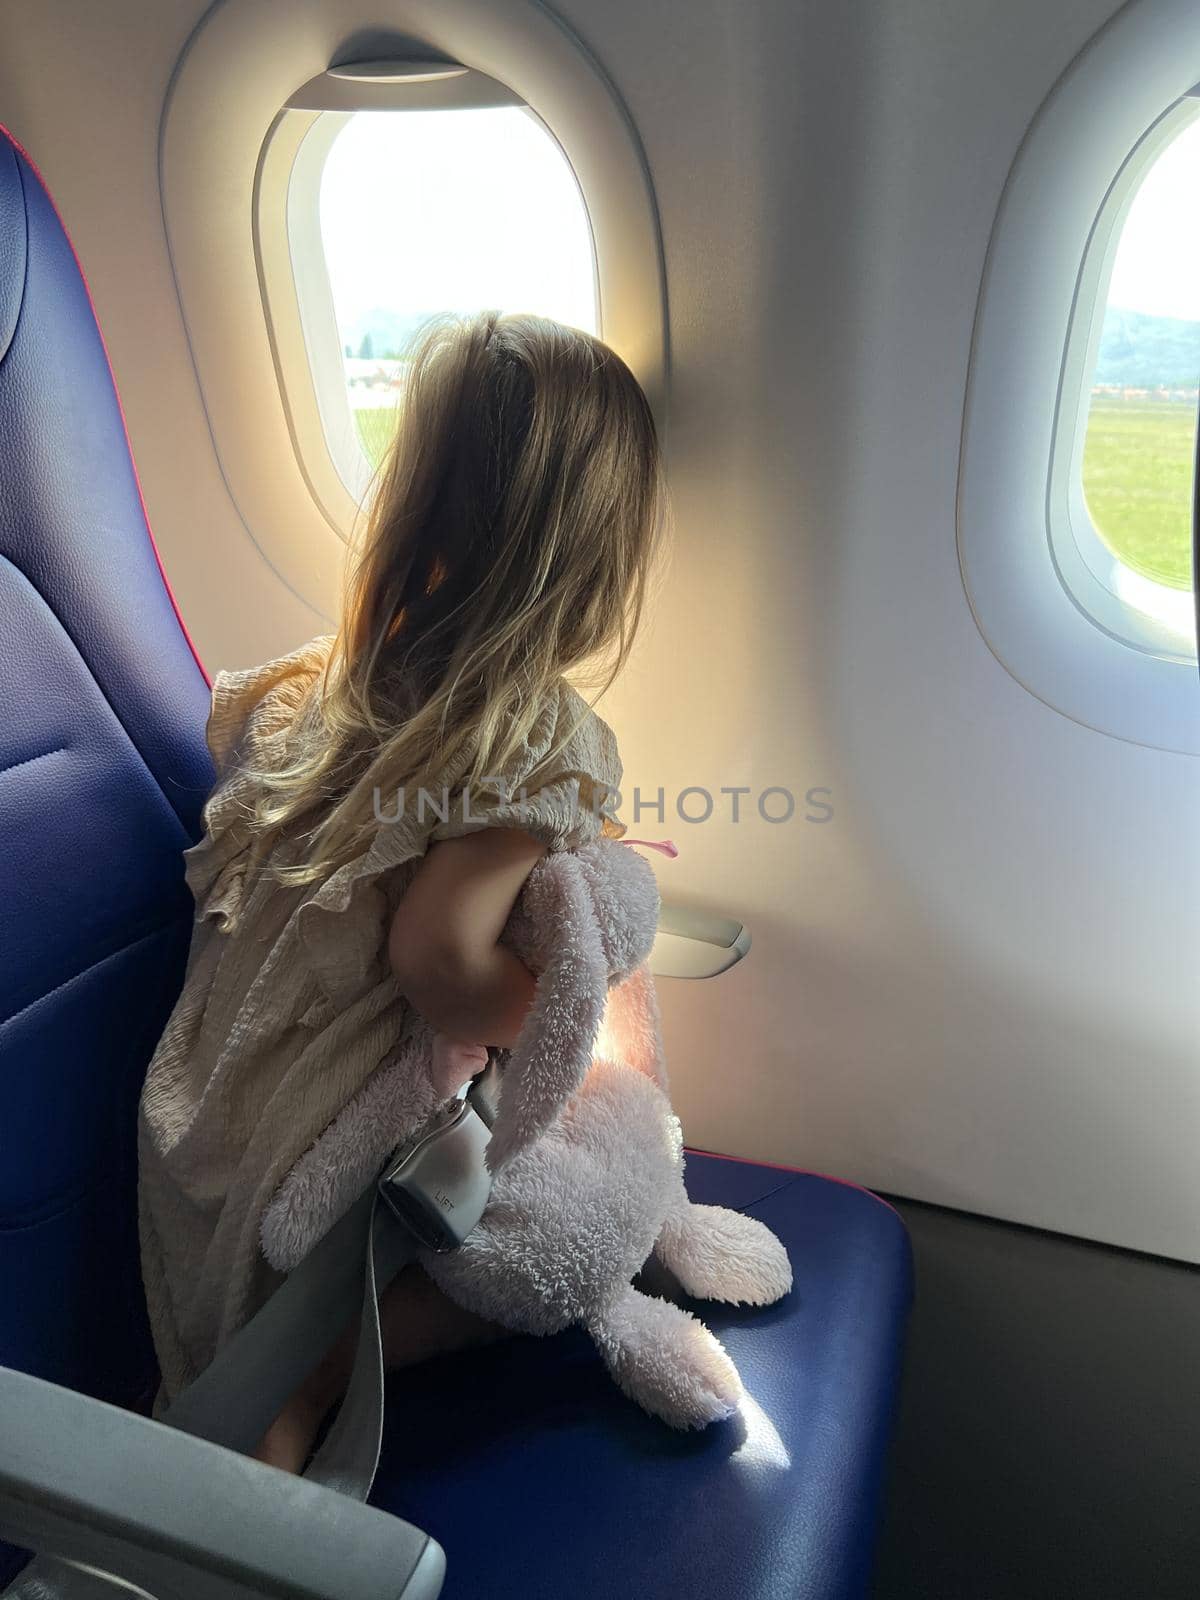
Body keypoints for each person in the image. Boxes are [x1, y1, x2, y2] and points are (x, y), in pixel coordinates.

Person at [136, 310, 665, 1473]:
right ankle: (298, 1385)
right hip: (317, 1130)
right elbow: (442, 967)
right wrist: (561, 997)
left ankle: (245, 1432)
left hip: (212, 1096)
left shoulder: (329, 683)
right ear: (598, 556)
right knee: (578, 1238)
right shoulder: (537, 738)